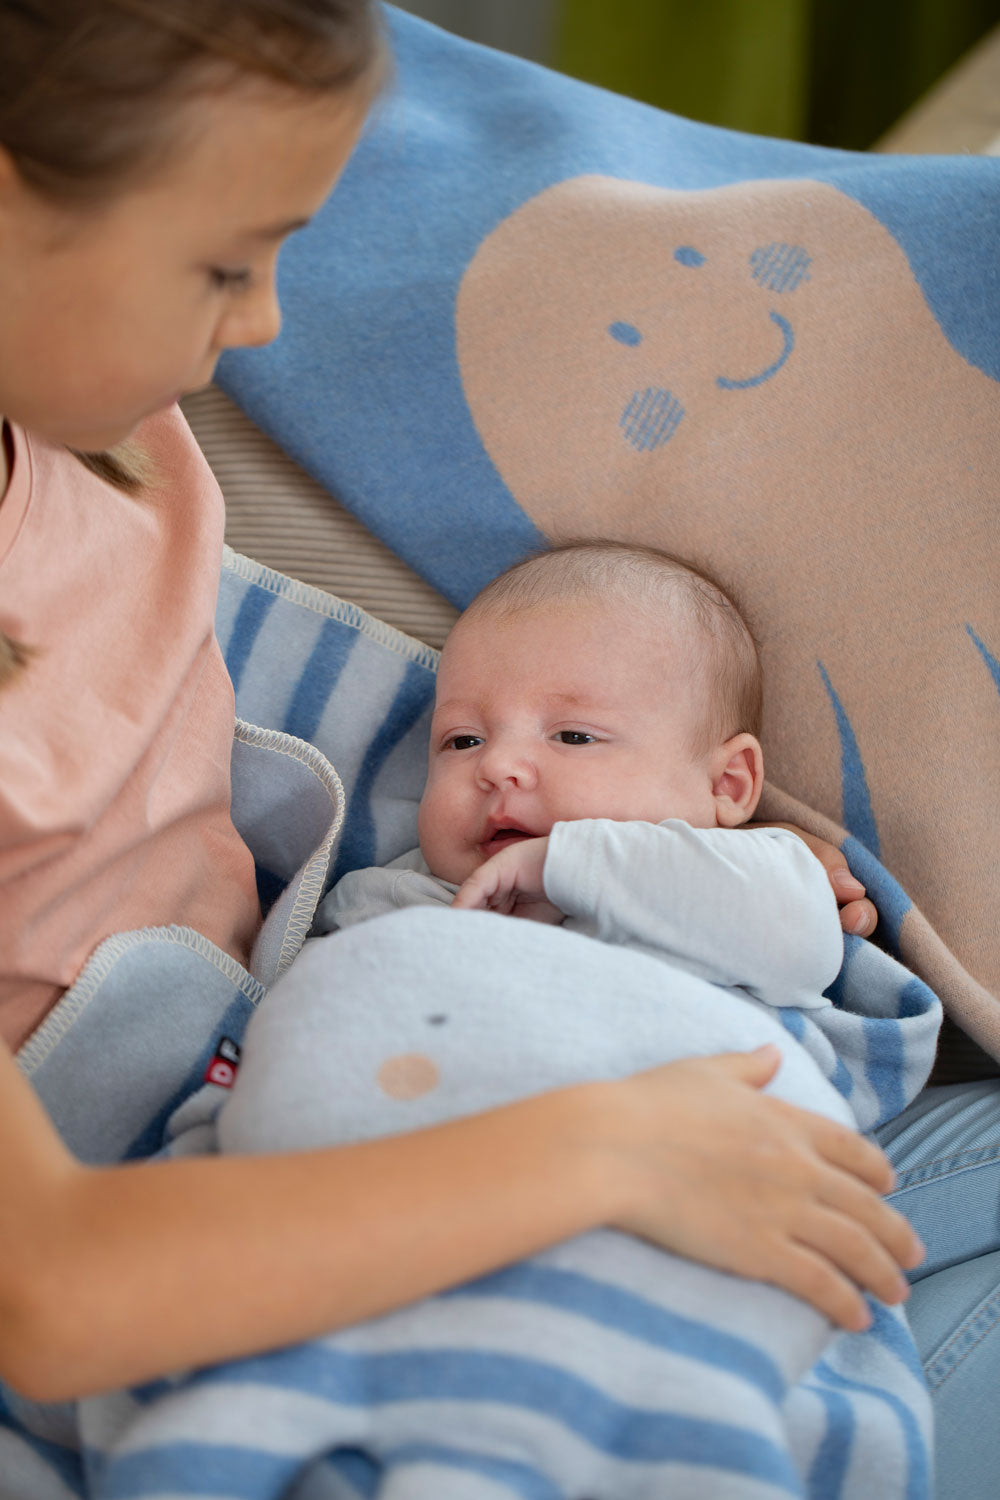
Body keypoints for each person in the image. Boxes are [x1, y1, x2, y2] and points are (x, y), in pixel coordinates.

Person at [0, 0, 954, 1477]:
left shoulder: (101, 430)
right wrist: (607, 1150)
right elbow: (51, 1297)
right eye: (222, 261)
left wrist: (676, 843)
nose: (261, 328)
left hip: (361, 1043)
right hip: (190, 1205)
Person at [86, 542, 938, 1497]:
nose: (502, 768)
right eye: (461, 741)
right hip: (404, 1212)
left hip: (667, 1241)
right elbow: (319, 1016)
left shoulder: (740, 876)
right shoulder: (389, 896)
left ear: (727, 788)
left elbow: (798, 939)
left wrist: (565, 866)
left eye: (573, 738)